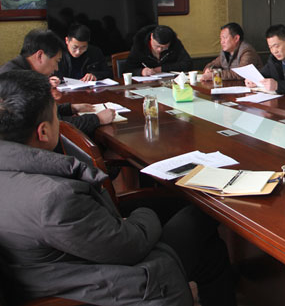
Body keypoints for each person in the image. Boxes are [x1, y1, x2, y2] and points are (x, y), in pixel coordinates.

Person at [0, 70, 236, 306]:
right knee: (202, 213)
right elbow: (131, 246)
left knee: (209, 250)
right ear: (43, 131)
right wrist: (142, 215)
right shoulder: (54, 198)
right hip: (113, 278)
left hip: (59, 262)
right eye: (56, 116)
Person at [0, 29, 114, 134]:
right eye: (57, 61)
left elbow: (39, 111)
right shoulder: (21, 81)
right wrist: (97, 119)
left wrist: (70, 108)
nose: (56, 68)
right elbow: (55, 125)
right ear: (40, 56)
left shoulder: (15, 70)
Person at [125, 24, 192, 76]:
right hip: (146, 84)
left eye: (164, 47)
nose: (159, 49)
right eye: (157, 46)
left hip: (169, 82)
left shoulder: (175, 44)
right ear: (151, 37)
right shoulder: (140, 45)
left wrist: (162, 68)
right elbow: (128, 69)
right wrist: (141, 71)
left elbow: (187, 64)